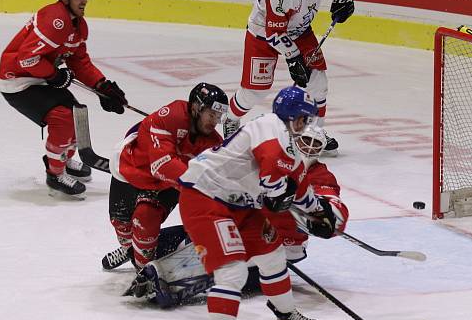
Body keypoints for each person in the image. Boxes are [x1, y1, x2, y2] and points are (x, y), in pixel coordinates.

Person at [177, 85, 331, 320]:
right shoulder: (269, 126)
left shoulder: (290, 144)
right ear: (290, 115)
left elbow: (297, 186)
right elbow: (272, 166)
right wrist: (276, 193)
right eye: (303, 118)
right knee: (232, 270)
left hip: (239, 203)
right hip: (205, 198)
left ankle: (287, 318)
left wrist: (318, 212)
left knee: (273, 255)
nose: (305, 125)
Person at [125, 124, 348, 306]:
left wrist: (318, 215)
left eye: (315, 145)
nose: (308, 149)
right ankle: (138, 251)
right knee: (170, 240)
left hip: (280, 243)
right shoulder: (274, 158)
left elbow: (335, 210)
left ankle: (166, 282)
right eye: (304, 141)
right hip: (242, 223)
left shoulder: (320, 175)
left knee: (223, 267)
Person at [0, 0, 127, 199]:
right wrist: (54, 75)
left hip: (38, 77)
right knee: (63, 118)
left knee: (76, 115)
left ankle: (64, 160)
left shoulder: (78, 25)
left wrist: (102, 86)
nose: (84, 0)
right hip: (17, 81)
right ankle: (54, 173)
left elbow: (79, 61)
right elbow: (26, 59)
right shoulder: (55, 20)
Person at [222, 0, 355, 157]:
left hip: (300, 31)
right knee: (255, 91)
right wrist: (293, 59)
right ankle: (231, 118)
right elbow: (274, 32)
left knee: (318, 83)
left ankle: (314, 132)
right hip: (263, 34)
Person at [102, 83, 226, 271]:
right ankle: (129, 249)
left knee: (145, 219)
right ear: (195, 108)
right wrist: (197, 184)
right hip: (131, 169)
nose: (214, 121)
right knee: (122, 226)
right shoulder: (172, 115)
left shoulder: (213, 141)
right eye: (211, 114)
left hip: (166, 184)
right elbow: (162, 164)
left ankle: (144, 272)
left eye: (218, 116)